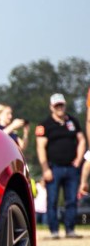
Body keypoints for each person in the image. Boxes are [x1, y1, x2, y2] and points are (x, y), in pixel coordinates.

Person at [36, 93, 85, 238]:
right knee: (52, 200)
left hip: (71, 167)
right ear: (51, 107)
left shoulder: (73, 121)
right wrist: (45, 169)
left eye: (61, 105)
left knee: (72, 200)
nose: (60, 108)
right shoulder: (45, 125)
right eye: (57, 106)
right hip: (54, 168)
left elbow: (81, 139)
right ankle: (54, 230)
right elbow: (40, 147)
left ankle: (70, 229)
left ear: (65, 105)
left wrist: (79, 158)